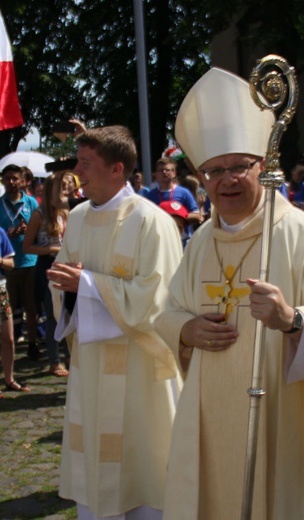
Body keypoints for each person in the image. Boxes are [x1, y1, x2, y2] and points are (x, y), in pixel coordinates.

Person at [155, 67, 304, 520]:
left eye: (238, 166)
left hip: (277, 415)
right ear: (200, 175)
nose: (227, 180)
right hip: (209, 418)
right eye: (214, 171)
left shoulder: (297, 234)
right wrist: (187, 329)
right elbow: (168, 312)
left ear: (262, 166)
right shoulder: (202, 245)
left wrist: (293, 320)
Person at [46, 125, 183, 519]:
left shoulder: (150, 221)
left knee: (144, 477)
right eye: (77, 162)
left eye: (85, 164)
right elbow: (65, 282)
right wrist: (66, 287)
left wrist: (86, 284)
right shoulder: (79, 217)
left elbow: (157, 300)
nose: (77, 172)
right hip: (92, 367)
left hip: (141, 375)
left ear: (116, 170)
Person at [24, 171, 73, 376]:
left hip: (67, 264)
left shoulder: (69, 211)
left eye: (66, 188)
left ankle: (70, 358)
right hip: (47, 265)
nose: (65, 192)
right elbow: (27, 247)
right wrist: (50, 250)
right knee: (53, 315)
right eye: (61, 188)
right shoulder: (39, 214)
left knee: (69, 313)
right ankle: (55, 362)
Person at [0, 164, 40, 362]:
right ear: (3, 180)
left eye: (15, 178)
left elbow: (41, 228)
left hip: (29, 262)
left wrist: (28, 230)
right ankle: (7, 348)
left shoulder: (31, 203)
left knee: (31, 308)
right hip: (6, 265)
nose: (11, 182)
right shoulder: (0, 205)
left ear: (22, 180)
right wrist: (8, 235)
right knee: (6, 310)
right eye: (7, 178)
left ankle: (32, 344)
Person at [0, 227, 26, 396]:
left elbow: (11, 264)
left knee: (8, 338)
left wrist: (0, 261)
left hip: (0, 290)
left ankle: (9, 378)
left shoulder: (0, 232)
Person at [143, 157, 201, 228]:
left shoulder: (184, 192)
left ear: (174, 173)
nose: (164, 172)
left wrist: (178, 217)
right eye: (161, 170)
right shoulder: (150, 196)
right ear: (156, 174)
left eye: (167, 170)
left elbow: (197, 215)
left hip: (182, 237)